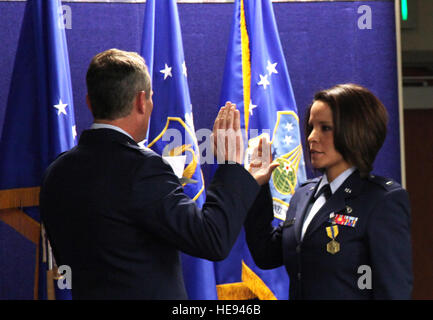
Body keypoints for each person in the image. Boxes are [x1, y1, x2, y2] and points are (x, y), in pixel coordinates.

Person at [40, 48, 270, 299]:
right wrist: (230, 166)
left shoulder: (56, 173)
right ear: (141, 101)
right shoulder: (142, 169)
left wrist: (245, 182)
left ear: (89, 101)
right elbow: (212, 239)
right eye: (150, 98)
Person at [245, 83, 413, 299]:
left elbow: (393, 292)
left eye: (325, 128)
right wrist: (258, 186)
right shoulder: (303, 195)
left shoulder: (382, 200)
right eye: (311, 126)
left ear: (356, 131)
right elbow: (266, 255)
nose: (311, 137)